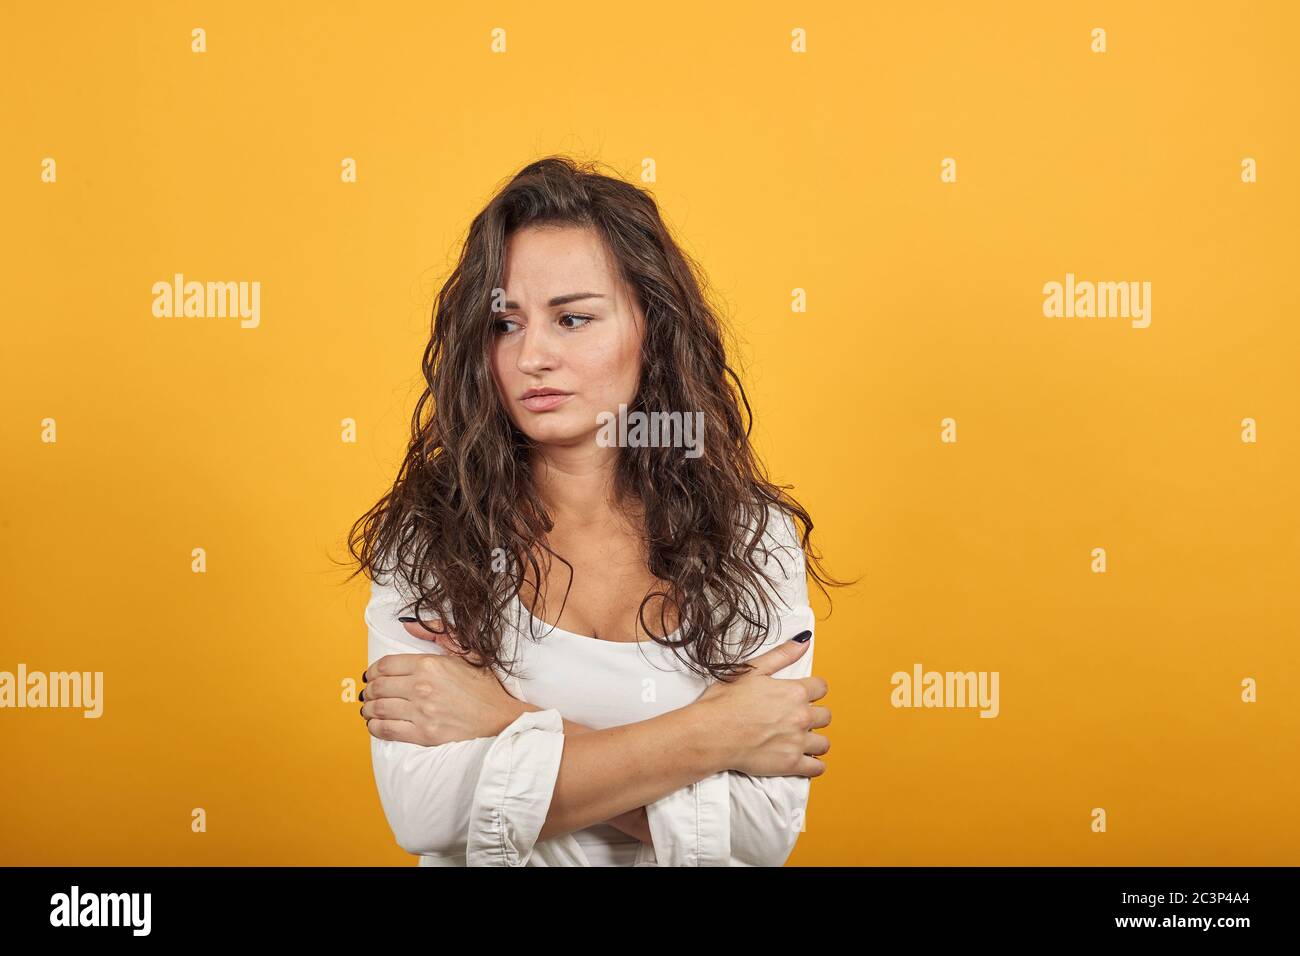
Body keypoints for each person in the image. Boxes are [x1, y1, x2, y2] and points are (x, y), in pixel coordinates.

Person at [348, 156, 844, 865]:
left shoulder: (748, 537)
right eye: (505, 324)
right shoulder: (430, 535)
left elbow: (762, 834)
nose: (533, 357)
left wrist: (502, 721)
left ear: (652, 325)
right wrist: (713, 736)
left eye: (573, 319)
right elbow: (425, 813)